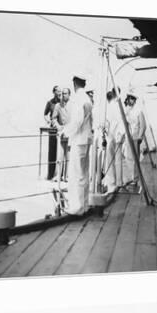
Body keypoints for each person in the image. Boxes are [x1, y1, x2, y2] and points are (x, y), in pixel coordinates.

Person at [60, 74, 93, 215]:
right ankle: (84, 205)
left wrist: (65, 132)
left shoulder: (79, 98)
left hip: (79, 140)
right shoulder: (87, 98)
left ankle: (77, 208)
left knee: (76, 174)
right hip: (86, 139)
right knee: (84, 173)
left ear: (74, 84)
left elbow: (78, 120)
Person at [103, 89, 125, 192]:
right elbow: (123, 121)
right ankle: (118, 182)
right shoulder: (119, 105)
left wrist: (107, 133)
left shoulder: (111, 106)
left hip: (112, 135)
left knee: (110, 159)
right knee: (118, 159)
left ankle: (112, 181)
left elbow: (107, 122)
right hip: (116, 134)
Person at [124, 92, 147, 187]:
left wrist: (140, 137)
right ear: (128, 99)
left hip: (135, 137)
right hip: (127, 137)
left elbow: (143, 126)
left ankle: (135, 178)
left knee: (134, 159)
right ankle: (130, 178)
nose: (132, 101)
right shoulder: (126, 110)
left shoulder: (138, 111)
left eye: (134, 99)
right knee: (128, 157)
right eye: (131, 99)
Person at [51, 88, 71, 181]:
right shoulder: (58, 106)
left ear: (69, 94)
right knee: (60, 156)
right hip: (61, 133)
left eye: (65, 94)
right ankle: (58, 175)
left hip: (70, 133)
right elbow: (53, 119)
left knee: (69, 156)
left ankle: (66, 176)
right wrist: (58, 127)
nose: (63, 95)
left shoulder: (73, 105)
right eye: (62, 94)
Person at [43, 85, 62, 180]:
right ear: (54, 92)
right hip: (53, 129)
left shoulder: (63, 102)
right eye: (58, 91)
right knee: (52, 151)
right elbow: (45, 114)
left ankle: (60, 175)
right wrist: (48, 121)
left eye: (60, 91)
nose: (59, 93)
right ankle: (50, 174)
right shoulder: (50, 103)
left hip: (62, 128)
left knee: (62, 152)